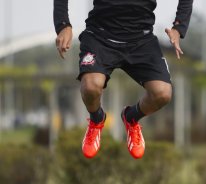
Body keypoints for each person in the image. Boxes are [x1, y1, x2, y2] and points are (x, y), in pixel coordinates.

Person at [54, 0, 193, 159]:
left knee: (162, 93)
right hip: (100, 37)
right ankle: (97, 120)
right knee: (91, 87)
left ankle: (131, 117)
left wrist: (179, 27)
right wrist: (63, 25)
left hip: (142, 40)